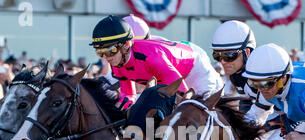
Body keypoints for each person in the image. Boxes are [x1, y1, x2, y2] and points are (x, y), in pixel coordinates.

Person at [90, 15, 223, 109]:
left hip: (195, 69)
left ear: (126, 45)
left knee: (195, 110)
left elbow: (182, 96)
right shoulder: (117, 61)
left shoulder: (153, 59)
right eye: (100, 52)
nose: (106, 57)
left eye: (110, 51)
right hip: (172, 67)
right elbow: (128, 97)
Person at [210, 20, 257, 110]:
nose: (222, 62)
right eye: (217, 56)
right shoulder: (235, 76)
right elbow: (246, 103)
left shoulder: (262, 71)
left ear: (247, 52)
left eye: (229, 55)